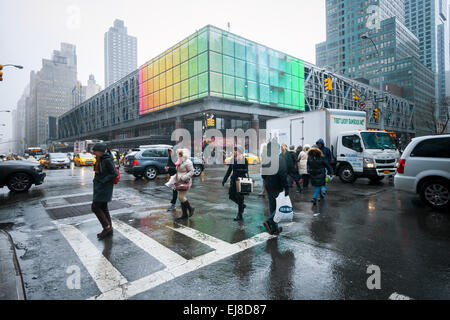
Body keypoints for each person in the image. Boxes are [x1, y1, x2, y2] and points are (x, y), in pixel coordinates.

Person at [91, 143, 118, 240]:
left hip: (104, 187)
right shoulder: (101, 158)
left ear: (100, 151)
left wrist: (102, 181)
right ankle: (109, 228)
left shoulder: (106, 159)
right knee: (103, 207)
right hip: (100, 187)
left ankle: (106, 227)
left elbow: (114, 173)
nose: (94, 153)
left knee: (95, 207)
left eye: (95, 151)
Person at [262, 140, 288, 235]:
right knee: (278, 209)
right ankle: (269, 221)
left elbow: (263, 175)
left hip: (269, 186)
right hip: (278, 187)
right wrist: (286, 187)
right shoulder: (280, 159)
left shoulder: (266, 159)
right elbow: (283, 175)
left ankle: (274, 229)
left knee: (273, 208)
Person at [222, 147, 249, 221]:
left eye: (236, 151)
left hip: (241, 180)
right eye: (234, 150)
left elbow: (245, 170)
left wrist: (238, 167)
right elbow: (229, 170)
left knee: (240, 198)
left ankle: (239, 215)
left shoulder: (244, 160)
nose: (234, 152)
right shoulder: (233, 159)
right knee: (231, 196)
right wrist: (224, 179)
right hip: (233, 180)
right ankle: (242, 206)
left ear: (240, 152)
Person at [173, 148, 195, 220]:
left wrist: (183, 178)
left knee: (181, 197)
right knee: (180, 197)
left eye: (180, 154)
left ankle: (190, 208)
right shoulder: (179, 161)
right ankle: (184, 214)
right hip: (179, 182)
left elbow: (192, 172)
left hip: (185, 181)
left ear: (184, 154)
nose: (178, 155)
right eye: (178, 154)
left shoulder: (188, 162)